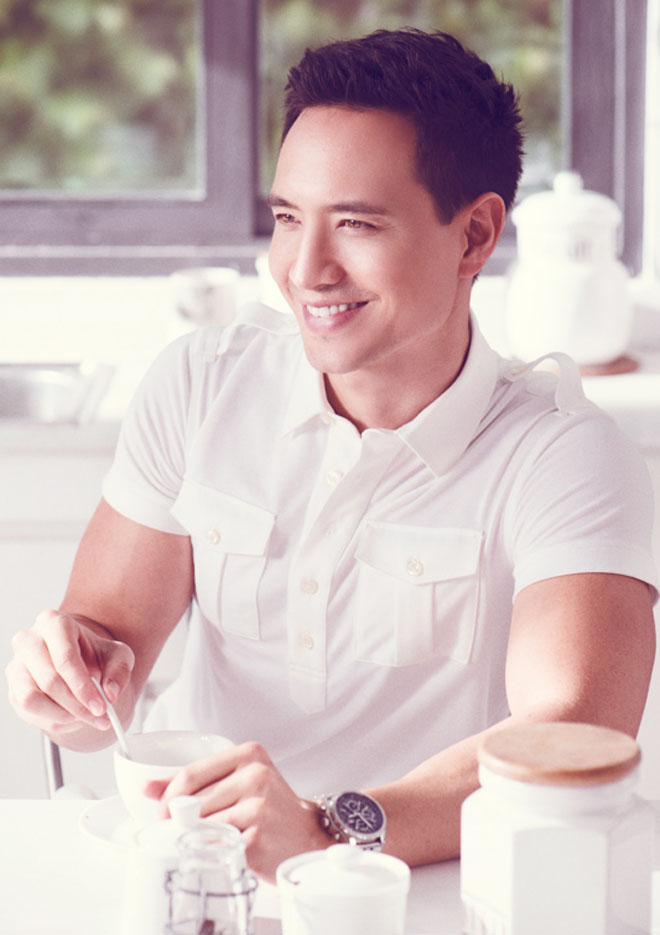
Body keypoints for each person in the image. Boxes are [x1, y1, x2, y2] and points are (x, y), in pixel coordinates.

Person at [6, 28, 657, 882]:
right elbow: (104, 676)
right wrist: (68, 682)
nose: (305, 269)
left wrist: (327, 830)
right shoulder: (200, 385)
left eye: (355, 223)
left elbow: (574, 730)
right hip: (199, 878)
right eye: (287, 218)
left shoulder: (563, 454)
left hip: (419, 897)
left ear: (474, 235)